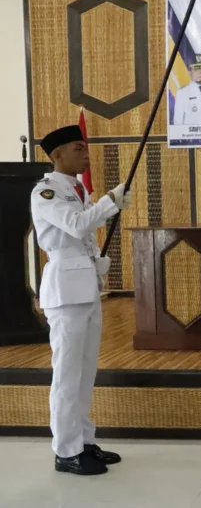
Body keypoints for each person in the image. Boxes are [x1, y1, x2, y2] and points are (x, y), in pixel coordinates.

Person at [31, 126, 132, 476]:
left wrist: (96, 260)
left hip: (86, 287)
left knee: (85, 372)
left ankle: (84, 441)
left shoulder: (78, 190)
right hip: (65, 291)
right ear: (57, 155)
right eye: (78, 148)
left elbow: (84, 238)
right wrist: (109, 202)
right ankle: (66, 451)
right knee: (67, 374)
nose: (85, 154)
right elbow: (75, 226)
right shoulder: (45, 192)